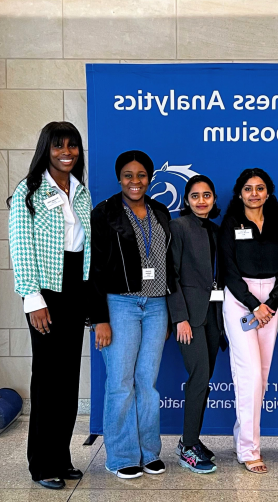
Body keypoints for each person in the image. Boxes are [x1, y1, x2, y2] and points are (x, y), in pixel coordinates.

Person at [8, 121, 91, 489]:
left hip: (75, 286)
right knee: (47, 378)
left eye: (72, 146)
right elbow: (21, 247)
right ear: (47, 149)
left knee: (68, 377)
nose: (67, 152)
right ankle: (41, 464)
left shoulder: (81, 191)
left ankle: (61, 455)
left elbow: (85, 248)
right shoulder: (29, 190)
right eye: (59, 146)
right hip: (45, 289)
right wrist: (33, 297)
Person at [89, 150, 176, 479]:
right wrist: (100, 319)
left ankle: (149, 452)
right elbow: (94, 269)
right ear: (119, 178)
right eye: (128, 175)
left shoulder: (160, 211)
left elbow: (168, 264)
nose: (135, 181)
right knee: (121, 383)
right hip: (120, 304)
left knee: (147, 384)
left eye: (141, 175)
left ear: (150, 178)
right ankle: (122, 456)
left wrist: (168, 310)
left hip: (156, 306)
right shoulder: (105, 212)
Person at [219, 168, 278, 474]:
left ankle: (241, 437)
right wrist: (254, 305)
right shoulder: (231, 224)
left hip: (270, 304)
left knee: (260, 376)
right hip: (239, 301)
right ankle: (249, 449)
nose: (254, 193)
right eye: (248, 188)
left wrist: (270, 304)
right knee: (249, 374)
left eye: (260, 188)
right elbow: (228, 270)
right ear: (239, 193)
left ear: (268, 192)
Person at [168, 175, 224, 474]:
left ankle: (193, 439)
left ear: (214, 199)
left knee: (205, 378)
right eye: (195, 196)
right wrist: (180, 318)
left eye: (207, 195)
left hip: (214, 315)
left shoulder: (215, 229)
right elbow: (171, 275)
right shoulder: (179, 227)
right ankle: (187, 445)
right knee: (199, 376)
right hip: (189, 317)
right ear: (186, 200)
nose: (201, 201)